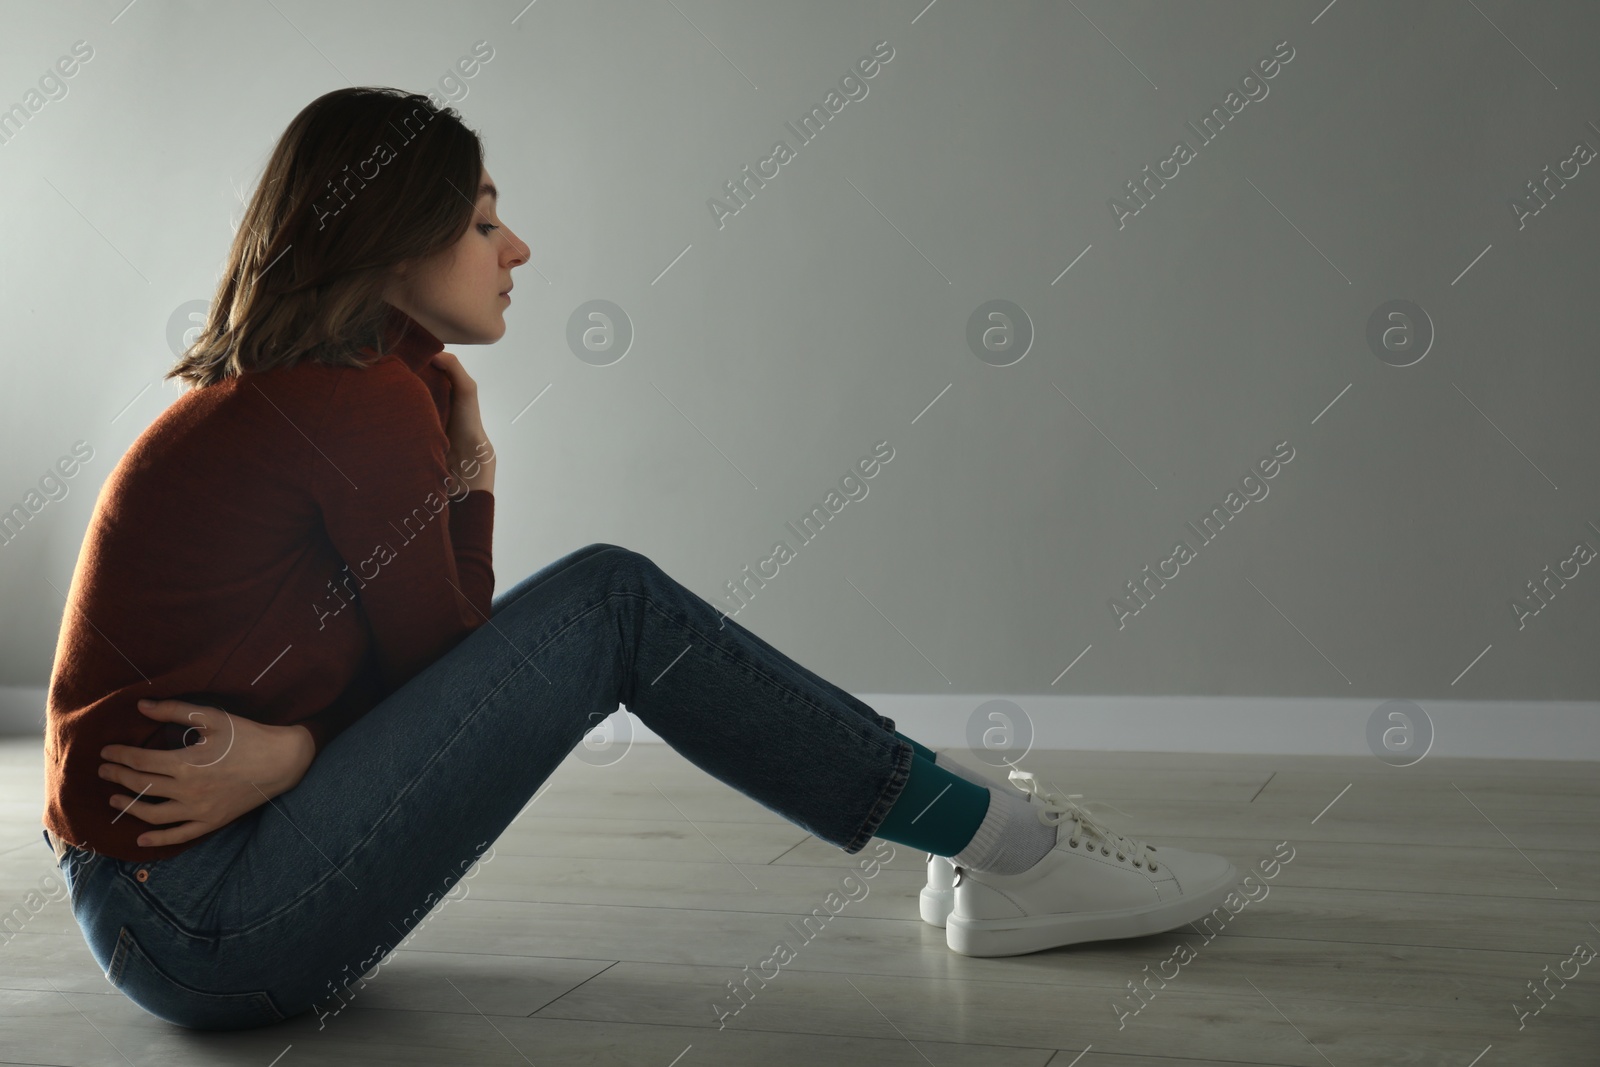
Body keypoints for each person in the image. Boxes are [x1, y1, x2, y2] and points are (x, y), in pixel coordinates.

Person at [41, 87, 1238, 1032]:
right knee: (608, 600)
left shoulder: (326, 389)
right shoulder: (356, 403)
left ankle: (976, 841)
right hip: (203, 924)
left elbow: (405, 682)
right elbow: (459, 672)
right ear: (389, 236)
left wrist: (297, 746)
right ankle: (1006, 849)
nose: (517, 246)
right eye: (479, 218)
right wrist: (475, 482)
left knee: (602, 600)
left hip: (175, 913)